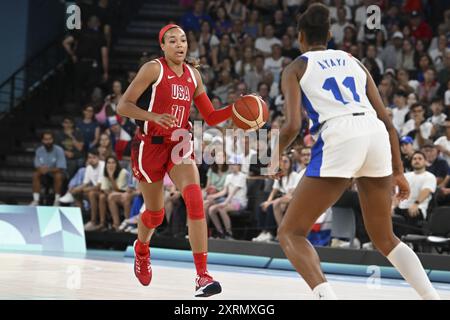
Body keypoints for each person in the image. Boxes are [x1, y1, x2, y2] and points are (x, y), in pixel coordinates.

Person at [269, 4, 440, 300]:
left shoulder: (296, 67)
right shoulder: (353, 60)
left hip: (340, 135)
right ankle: (433, 298)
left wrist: (272, 155)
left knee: (291, 232)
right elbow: (388, 122)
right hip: (374, 133)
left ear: (300, 38)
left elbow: (293, 125)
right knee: (385, 238)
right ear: (330, 34)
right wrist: (398, 170)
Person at [117, 24, 235, 297]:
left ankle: (202, 276)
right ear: (163, 46)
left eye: (183, 40)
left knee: (195, 199)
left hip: (179, 144)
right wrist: (153, 117)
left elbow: (211, 117)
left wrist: (236, 109)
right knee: (156, 215)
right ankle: (142, 248)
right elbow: (123, 106)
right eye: (172, 41)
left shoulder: (194, 76)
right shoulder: (153, 69)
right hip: (149, 146)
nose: (179, 45)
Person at [30, 131, 67, 206]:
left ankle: (57, 201)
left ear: (53, 140)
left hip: (57, 174)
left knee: (58, 175)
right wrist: (42, 169)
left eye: (50, 139)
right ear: (42, 140)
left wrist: (48, 170)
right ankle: (36, 200)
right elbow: (37, 165)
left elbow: (61, 167)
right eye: (45, 139)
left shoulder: (59, 150)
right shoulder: (39, 150)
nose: (48, 141)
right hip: (44, 174)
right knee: (35, 174)